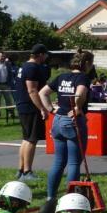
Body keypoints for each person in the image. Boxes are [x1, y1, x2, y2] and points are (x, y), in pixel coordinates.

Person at [40, 50, 93, 202]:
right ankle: (70, 200)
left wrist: (51, 110)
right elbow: (80, 94)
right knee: (74, 163)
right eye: (91, 63)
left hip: (57, 121)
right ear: (86, 63)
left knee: (58, 162)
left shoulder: (62, 76)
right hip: (72, 121)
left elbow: (43, 93)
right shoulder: (83, 77)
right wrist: (78, 107)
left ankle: (50, 197)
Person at [13, 44, 52, 184]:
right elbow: (32, 90)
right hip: (30, 107)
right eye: (45, 54)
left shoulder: (24, 66)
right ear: (40, 54)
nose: (46, 57)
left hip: (23, 105)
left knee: (26, 138)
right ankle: (27, 171)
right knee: (32, 139)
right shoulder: (32, 68)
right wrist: (42, 108)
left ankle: (20, 169)